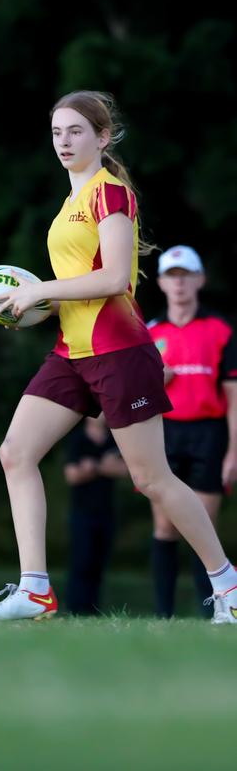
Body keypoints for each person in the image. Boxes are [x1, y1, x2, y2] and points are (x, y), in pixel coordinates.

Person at [0, 91, 237, 625]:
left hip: (119, 352)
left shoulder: (109, 194)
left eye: (75, 131)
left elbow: (116, 279)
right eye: (56, 133)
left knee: (152, 479)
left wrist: (39, 289)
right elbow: (77, 283)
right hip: (72, 351)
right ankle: (36, 590)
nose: (64, 142)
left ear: (102, 137)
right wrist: (34, 304)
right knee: (15, 453)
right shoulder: (69, 203)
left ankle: (229, 587)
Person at [147, 245, 237, 618]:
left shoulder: (220, 330)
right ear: (162, 283)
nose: (179, 283)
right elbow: (130, 394)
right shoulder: (149, 332)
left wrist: (234, 450)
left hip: (208, 435)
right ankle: (163, 616)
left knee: (204, 527)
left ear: (200, 280)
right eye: (172, 275)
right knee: (166, 527)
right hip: (163, 435)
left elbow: (233, 394)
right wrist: (155, 381)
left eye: (186, 275)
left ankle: (215, 611)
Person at [64, 414, 128, 616]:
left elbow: (126, 470)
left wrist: (94, 467)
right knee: (81, 560)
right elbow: (72, 475)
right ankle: (74, 607)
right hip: (82, 512)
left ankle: (92, 609)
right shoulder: (78, 439)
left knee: (99, 563)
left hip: (106, 511)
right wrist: (103, 467)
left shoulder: (114, 439)